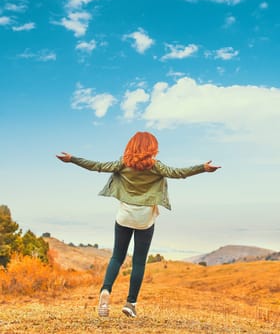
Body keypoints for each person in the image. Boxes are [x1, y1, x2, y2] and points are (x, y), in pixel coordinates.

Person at [56, 131, 221, 318]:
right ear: (152, 148)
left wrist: (72, 159)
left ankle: (106, 291)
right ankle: (130, 303)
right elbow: (179, 173)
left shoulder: (123, 164)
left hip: (124, 215)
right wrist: (203, 168)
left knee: (117, 257)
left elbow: (97, 166)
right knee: (138, 262)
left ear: (132, 145)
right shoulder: (156, 166)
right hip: (145, 218)